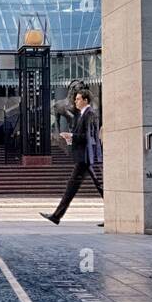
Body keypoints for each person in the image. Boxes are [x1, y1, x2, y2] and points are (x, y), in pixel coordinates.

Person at [42, 89, 103, 226]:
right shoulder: (81, 114)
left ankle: (56, 216)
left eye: (78, 99)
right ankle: (56, 216)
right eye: (75, 99)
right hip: (84, 157)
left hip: (88, 157)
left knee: (93, 186)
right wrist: (71, 139)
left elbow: (90, 137)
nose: (75, 101)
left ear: (86, 100)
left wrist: (72, 136)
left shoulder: (90, 114)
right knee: (75, 186)